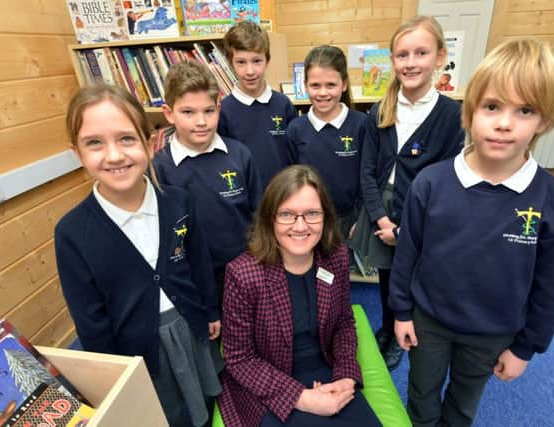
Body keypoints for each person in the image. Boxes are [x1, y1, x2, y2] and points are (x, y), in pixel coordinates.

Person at [390, 38, 554, 427]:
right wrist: (401, 311)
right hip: (429, 321)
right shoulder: (430, 184)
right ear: (471, 111)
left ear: (544, 121)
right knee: (421, 394)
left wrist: (526, 347)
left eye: (525, 110)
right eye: (492, 106)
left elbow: (551, 285)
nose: (504, 123)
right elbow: (407, 253)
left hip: (493, 332)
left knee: (462, 405)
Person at [55, 84, 223, 427]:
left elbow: (199, 264)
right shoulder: (72, 232)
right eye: (95, 143)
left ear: (150, 143)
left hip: (189, 325)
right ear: (77, 153)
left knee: (203, 399)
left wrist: (210, 309)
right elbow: (89, 319)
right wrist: (113, 372)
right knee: (163, 413)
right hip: (135, 349)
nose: (114, 155)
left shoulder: (179, 202)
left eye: (126, 139)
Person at [218, 165, 382, 427]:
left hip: (325, 368)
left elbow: (343, 324)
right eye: (287, 214)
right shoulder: (243, 273)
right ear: (270, 219)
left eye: (312, 214)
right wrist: (302, 398)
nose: (300, 226)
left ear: (325, 217)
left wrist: (346, 375)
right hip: (267, 382)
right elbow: (240, 360)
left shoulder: (336, 257)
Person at [351, 15, 464, 370]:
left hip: (424, 212)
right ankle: (388, 327)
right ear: (392, 60)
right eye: (402, 55)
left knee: (414, 273)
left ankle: (406, 328)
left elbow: (448, 182)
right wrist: (381, 218)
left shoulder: (452, 116)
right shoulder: (379, 111)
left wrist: (405, 229)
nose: (411, 63)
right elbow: (367, 172)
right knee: (387, 275)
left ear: (440, 56)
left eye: (421, 53)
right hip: (382, 207)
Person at [153, 60, 262, 296]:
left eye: (208, 111)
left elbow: (258, 214)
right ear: (169, 113)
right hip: (191, 278)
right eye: (188, 112)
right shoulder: (159, 167)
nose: (201, 121)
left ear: (218, 109)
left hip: (244, 270)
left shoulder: (240, 155)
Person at [286, 45, 367, 240]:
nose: (323, 93)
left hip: (349, 220)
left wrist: (361, 218)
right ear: (305, 85)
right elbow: (290, 180)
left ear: (344, 84)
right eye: (315, 86)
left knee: (339, 269)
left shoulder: (361, 124)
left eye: (331, 85)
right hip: (306, 222)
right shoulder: (296, 129)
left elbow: (368, 176)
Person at [218, 21, 298, 190]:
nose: (250, 71)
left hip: (283, 195)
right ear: (230, 62)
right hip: (244, 199)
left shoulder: (283, 104)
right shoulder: (223, 111)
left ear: (267, 60)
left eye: (256, 61)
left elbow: (294, 154)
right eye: (241, 62)